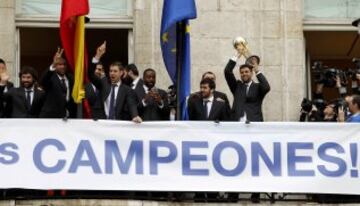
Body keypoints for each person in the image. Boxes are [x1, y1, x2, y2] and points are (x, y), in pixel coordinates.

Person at [88, 41, 142, 123]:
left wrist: (135, 116)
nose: (112, 73)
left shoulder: (127, 89)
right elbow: (90, 74)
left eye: (115, 71)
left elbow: (131, 104)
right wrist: (97, 56)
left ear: (121, 73)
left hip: (117, 125)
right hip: (102, 123)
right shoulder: (103, 83)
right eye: (110, 71)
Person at [224, 54, 270, 122]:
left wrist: (257, 71)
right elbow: (227, 71)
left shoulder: (258, 87)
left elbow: (266, 87)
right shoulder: (236, 86)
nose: (244, 74)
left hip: (254, 123)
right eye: (242, 72)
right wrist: (237, 55)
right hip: (237, 124)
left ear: (251, 73)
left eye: (246, 72)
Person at [39, 48, 77, 118]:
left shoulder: (71, 78)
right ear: (55, 66)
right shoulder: (51, 77)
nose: (62, 67)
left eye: (64, 64)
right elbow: (43, 81)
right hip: (50, 115)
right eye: (59, 64)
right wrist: (53, 64)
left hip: (67, 116)